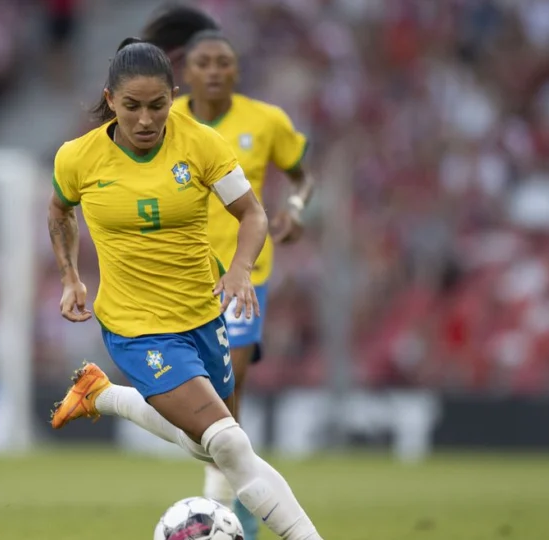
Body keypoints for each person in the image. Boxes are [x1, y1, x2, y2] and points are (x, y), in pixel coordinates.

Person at [47, 36, 322, 540]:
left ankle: (103, 396)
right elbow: (60, 210)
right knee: (231, 445)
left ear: (173, 96)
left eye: (158, 106)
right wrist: (70, 276)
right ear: (110, 100)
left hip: (201, 315)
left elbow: (252, 213)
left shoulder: (199, 143)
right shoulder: (78, 157)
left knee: (212, 446)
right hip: (135, 330)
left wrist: (240, 268)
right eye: (132, 107)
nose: (147, 120)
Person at [142, 6, 315, 539]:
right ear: (185, 72)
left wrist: (298, 209)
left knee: (229, 382)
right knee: (202, 396)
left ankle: (226, 503)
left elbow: (302, 176)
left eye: (225, 62)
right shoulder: (165, 122)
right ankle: (236, 493)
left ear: (237, 71)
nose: (215, 71)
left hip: (242, 273)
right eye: (204, 63)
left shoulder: (266, 121)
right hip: (181, 272)